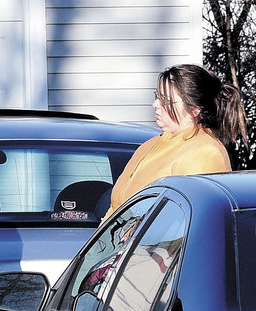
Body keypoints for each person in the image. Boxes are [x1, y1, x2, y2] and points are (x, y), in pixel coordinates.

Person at [103, 63, 242, 219]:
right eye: (157, 96)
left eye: (166, 101)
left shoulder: (205, 153)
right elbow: (116, 207)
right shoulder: (149, 145)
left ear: (195, 109)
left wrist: (136, 232)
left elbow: (189, 221)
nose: (155, 104)